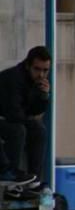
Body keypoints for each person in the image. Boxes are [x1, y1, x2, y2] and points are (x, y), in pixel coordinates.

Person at [0, 46, 50, 192]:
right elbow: (14, 113)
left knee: (38, 129)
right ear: (28, 66)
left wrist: (43, 96)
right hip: (6, 117)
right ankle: (9, 172)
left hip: (9, 117)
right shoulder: (13, 78)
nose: (41, 75)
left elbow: (33, 110)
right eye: (37, 69)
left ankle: (34, 178)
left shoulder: (33, 81)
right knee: (17, 130)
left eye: (45, 70)